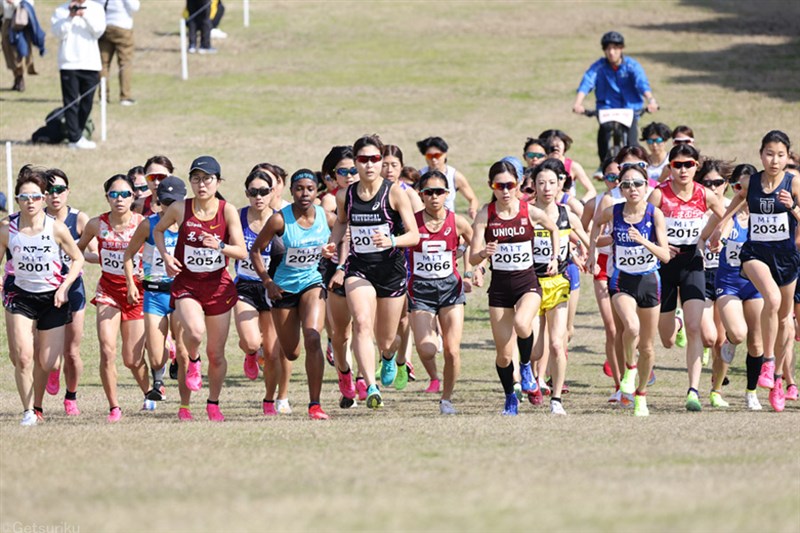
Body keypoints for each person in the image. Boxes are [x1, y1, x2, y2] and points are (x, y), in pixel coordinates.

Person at [707, 130, 800, 412]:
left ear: (787, 158)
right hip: (756, 254)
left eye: (780, 155)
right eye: (769, 153)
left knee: (785, 319)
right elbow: (738, 201)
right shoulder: (752, 181)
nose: (774, 160)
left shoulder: (794, 183)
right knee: (771, 300)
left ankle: (780, 380)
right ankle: (768, 364)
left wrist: (793, 206)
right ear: (761, 154)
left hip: (785, 257)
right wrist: (720, 226)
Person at [327, 134, 420, 409]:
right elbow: (342, 223)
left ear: (381, 161)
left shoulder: (394, 193)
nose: (369, 165)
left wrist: (392, 240)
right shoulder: (346, 195)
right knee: (362, 322)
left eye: (375, 159)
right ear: (356, 162)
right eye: (363, 159)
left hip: (390, 270)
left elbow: (414, 235)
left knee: (386, 339)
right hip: (360, 268)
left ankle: (390, 357)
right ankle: (370, 386)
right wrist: (332, 244)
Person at [155, 156, 247, 421]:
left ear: (217, 181)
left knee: (216, 355)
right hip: (187, 284)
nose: (201, 184)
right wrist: (166, 256)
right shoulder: (180, 209)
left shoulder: (226, 210)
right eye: (196, 179)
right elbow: (159, 231)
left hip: (218, 286)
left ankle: (213, 403)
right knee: (194, 332)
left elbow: (240, 251)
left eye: (207, 179)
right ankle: (192, 360)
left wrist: (218, 246)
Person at [469, 160, 559, 416]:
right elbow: (474, 257)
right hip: (499, 289)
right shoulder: (486, 214)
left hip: (527, 283)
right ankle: (510, 395)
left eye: (510, 185)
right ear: (492, 186)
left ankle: (527, 366)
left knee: (523, 324)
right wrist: (482, 255)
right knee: (503, 356)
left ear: (518, 185)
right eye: (500, 186)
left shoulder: (528, 211)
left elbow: (553, 227)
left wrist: (553, 257)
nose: (506, 191)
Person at [1, 167, 84, 426]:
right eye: (24, 197)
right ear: (17, 200)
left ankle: (37, 404)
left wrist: (63, 287)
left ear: (44, 198)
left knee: (46, 362)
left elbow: (78, 258)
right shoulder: (7, 230)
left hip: (52, 298)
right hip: (20, 296)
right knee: (23, 356)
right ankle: (28, 411)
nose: (30, 202)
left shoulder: (56, 228)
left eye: (36, 197)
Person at [648, 144, 726, 412]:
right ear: (670, 167)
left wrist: (712, 236)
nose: (683, 170)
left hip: (693, 263)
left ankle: (693, 390)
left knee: (696, 328)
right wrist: (660, 244)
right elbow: (645, 223)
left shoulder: (704, 194)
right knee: (668, 340)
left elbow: (724, 215)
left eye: (688, 164)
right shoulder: (660, 195)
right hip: (665, 266)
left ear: (696, 166)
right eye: (677, 165)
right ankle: (675, 322)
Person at [251, 169, 335, 420]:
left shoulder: (326, 217)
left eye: (310, 188)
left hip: (312, 283)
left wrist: (335, 258)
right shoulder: (279, 220)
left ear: (316, 190)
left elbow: (343, 235)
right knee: (292, 352)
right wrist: (267, 282)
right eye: (299, 189)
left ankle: (315, 405)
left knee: (312, 337)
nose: (305, 193)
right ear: (292, 191)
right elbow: (255, 251)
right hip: (283, 289)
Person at [588, 165, 670, 416]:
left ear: (647, 186)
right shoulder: (613, 211)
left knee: (647, 346)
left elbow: (665, 256)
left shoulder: (654, 214)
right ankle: (629, 369)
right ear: (620, 188)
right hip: (621, 280)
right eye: (626, 184)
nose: (632, 188)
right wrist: (592, 253)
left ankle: (641, 394)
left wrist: (643, 241)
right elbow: (594, 227)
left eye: (637, 183)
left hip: (649, 281)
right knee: (630, 327)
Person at [77, 173, 147, 422]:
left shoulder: (143, 223)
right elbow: (79, 249)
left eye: (125, 194)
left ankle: (148, 394)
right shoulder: (97, 224)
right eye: (114, 194)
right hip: (108, 291)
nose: (119, 199)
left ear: (133, 196)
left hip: (136, 293)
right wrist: (94, 257)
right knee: (107, 350)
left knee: (132, 358)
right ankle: (114, 407)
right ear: (106, 196)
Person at [408, 170, 474, 414]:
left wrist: (471, 271)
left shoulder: (456, 221)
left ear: (447, 194)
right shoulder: (412, 221)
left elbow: (474, 242)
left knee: (452, 350)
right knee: (427, 348)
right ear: (421, 195)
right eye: (428, 192)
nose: (434, 197)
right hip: (420, 290)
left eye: (439, 192)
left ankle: (446, 399)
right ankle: (430, 374)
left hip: (450, 289)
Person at [528, 159, 590, 415]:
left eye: (552, 183)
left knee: (557, 343)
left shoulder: (568, 214)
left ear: (560, 184)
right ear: (533, 185)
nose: (546, 187)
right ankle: (530, 380)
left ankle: (556, 399)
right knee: (533, 345)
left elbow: (588, 241)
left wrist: (589, 256)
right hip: (530, 284)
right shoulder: (527, 213)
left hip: (558, 284)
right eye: (541, 183)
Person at [123, 176, 186, 408]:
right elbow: (128, 255)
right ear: (158, 202)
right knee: (157, 354)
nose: (170, 208)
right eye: (165, 202)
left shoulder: (189, 224)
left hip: (181, 294)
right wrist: (131, 283)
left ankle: (176, 375)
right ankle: (159, 379)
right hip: (154, 294)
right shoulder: (148, 225)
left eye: (174, 202)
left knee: (183, 344)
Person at [37, 168, 92, 416]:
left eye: (59, 190)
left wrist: (78, 253)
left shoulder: (79, 219)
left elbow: (94, 252)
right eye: (49, 191)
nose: (54, 196)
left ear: (68, 191)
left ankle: (71, 398)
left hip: (73, 288)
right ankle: (53, 368)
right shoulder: (36, 218)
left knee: (72, 351)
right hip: (43, 288)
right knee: (46, 351)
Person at [710, 164, 764, 410]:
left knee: (756, 342)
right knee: (738, 334)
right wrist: (719, 240)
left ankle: (751, 392)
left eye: (749, 187)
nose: (743, 192)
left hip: (755, 285)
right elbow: (721, 231)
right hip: (729, 282)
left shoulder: (764, 216)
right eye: (738, 187)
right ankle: (716, 388)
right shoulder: (727, 215)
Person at [230, 168, 284, 416]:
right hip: (245, 285)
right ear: (247, 193)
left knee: (273, 353)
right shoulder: (238, 217)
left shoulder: (281, 219)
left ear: (273, 192)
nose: (259, 197)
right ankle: (251, 353)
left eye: (264, 191)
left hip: (274, 288)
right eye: (253, 192)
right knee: (252, 341)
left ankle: (269, 400)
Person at [572, 31, 659, 166]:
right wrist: (578, 103)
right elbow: (587, 82)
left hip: (630, 109)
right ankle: (603, 166)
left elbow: (641, 83)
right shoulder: (599, 67)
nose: (611, 52)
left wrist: (651, 100)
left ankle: (637, 166)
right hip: (607, 110)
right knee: (604, 132)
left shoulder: (632, 65)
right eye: (608, 49)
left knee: (633, 142)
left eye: (615, 48)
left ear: (621, 49)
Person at [581, 157, 626, 402]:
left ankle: (631, 366)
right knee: (611, 327)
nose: (616, 182)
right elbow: (584, 231)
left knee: (630, 327)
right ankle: (619, 386)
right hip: (602, 263)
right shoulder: (597, 202)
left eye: (619, 177)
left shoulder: (637, 196)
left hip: (631, 263)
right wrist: (588, 251)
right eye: (610, 177)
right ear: (603, 179)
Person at [51, 0, 106, 150]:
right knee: (70, 102)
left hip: (91, 63)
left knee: (87, 102)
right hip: (69, 64)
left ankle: (79, 133)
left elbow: (99, 31)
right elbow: (58, 33)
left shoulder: (96, 8)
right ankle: (74, 138)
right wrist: (70, 16)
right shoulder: (61, 10)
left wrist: (84, 15)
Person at [417, 136, 480, 219]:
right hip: (425, 222)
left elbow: (472, 199)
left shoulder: (455, 176)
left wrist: (472, 209)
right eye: (429, 156)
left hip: (448, 223)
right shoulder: (419, 176)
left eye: (437, 155)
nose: (434, 159)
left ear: (445, 154)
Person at [97, 0, 139, 106]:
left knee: (103, 64)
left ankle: (103, 97)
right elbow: (135, 6)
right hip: (122, 26)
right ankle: (125, 96)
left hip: (104, 26)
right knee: (125, 62)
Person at [539, 129, 596, 202]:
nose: (555, 148)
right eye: (551, 146)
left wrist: (580, 203)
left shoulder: (573, 166)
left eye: (558, 146)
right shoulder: (540, 166)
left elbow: (591, 191)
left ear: (564, 147)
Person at [2, 0, 45, 92]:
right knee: (9, 52)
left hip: (20, 22)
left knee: (19, 52)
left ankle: (20, 77)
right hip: (7, 22)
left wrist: (14, 3)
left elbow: (28, 5)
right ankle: (17, 76)